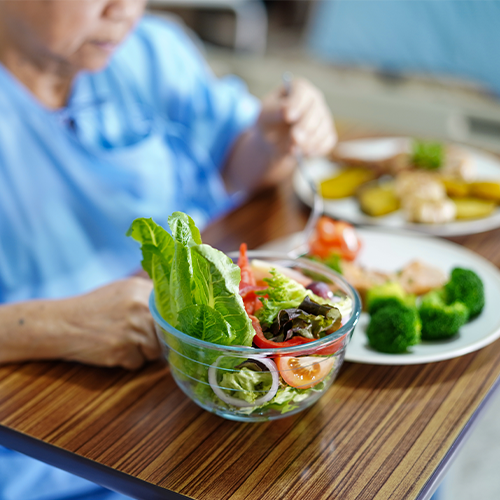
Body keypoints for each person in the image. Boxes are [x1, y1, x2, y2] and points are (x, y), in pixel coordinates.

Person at [0, 0, 337, 498]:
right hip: (42, 437)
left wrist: (271, 141)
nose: (124, 10)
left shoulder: (151, 51)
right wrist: (57, 328)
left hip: (185, 398)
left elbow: (235, 165)